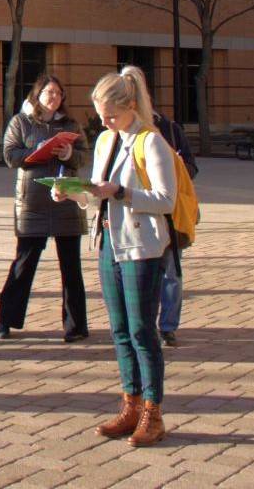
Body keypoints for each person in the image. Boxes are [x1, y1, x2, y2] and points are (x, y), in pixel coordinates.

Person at [54, 65, 175, 447]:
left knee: (142, 331)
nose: (104, 122)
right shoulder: (107, 141)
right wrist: (71, 193)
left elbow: (164, 199)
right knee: (120, 330)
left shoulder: (150, 141)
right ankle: (130, 404)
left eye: (111, 114)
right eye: (100, 115)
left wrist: (120, 192)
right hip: (108, 243)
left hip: (141, 247)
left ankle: (153, 413)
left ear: (130, 106)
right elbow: (96, 195)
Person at [0, 75, 91, 342]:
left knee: (71, 266)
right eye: (49, 92)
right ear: (37, 95)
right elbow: (9, 155)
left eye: (59, 93)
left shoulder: (71, 124)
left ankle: (76, 326)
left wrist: (69, 155)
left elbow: (84, 155)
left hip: (65, 199)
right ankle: (6, 320)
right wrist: (35, 152)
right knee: (24, 263)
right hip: (33, 202)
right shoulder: (21, 122)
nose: (54, 97)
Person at [152, 109, 198, 347]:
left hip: (173, 214)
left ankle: (168, 327)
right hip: (140, 214)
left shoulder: (170, 129)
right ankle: (144, 325)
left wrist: (181, 167)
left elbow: (192, 167)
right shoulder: (119, 132)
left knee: (172, 272)